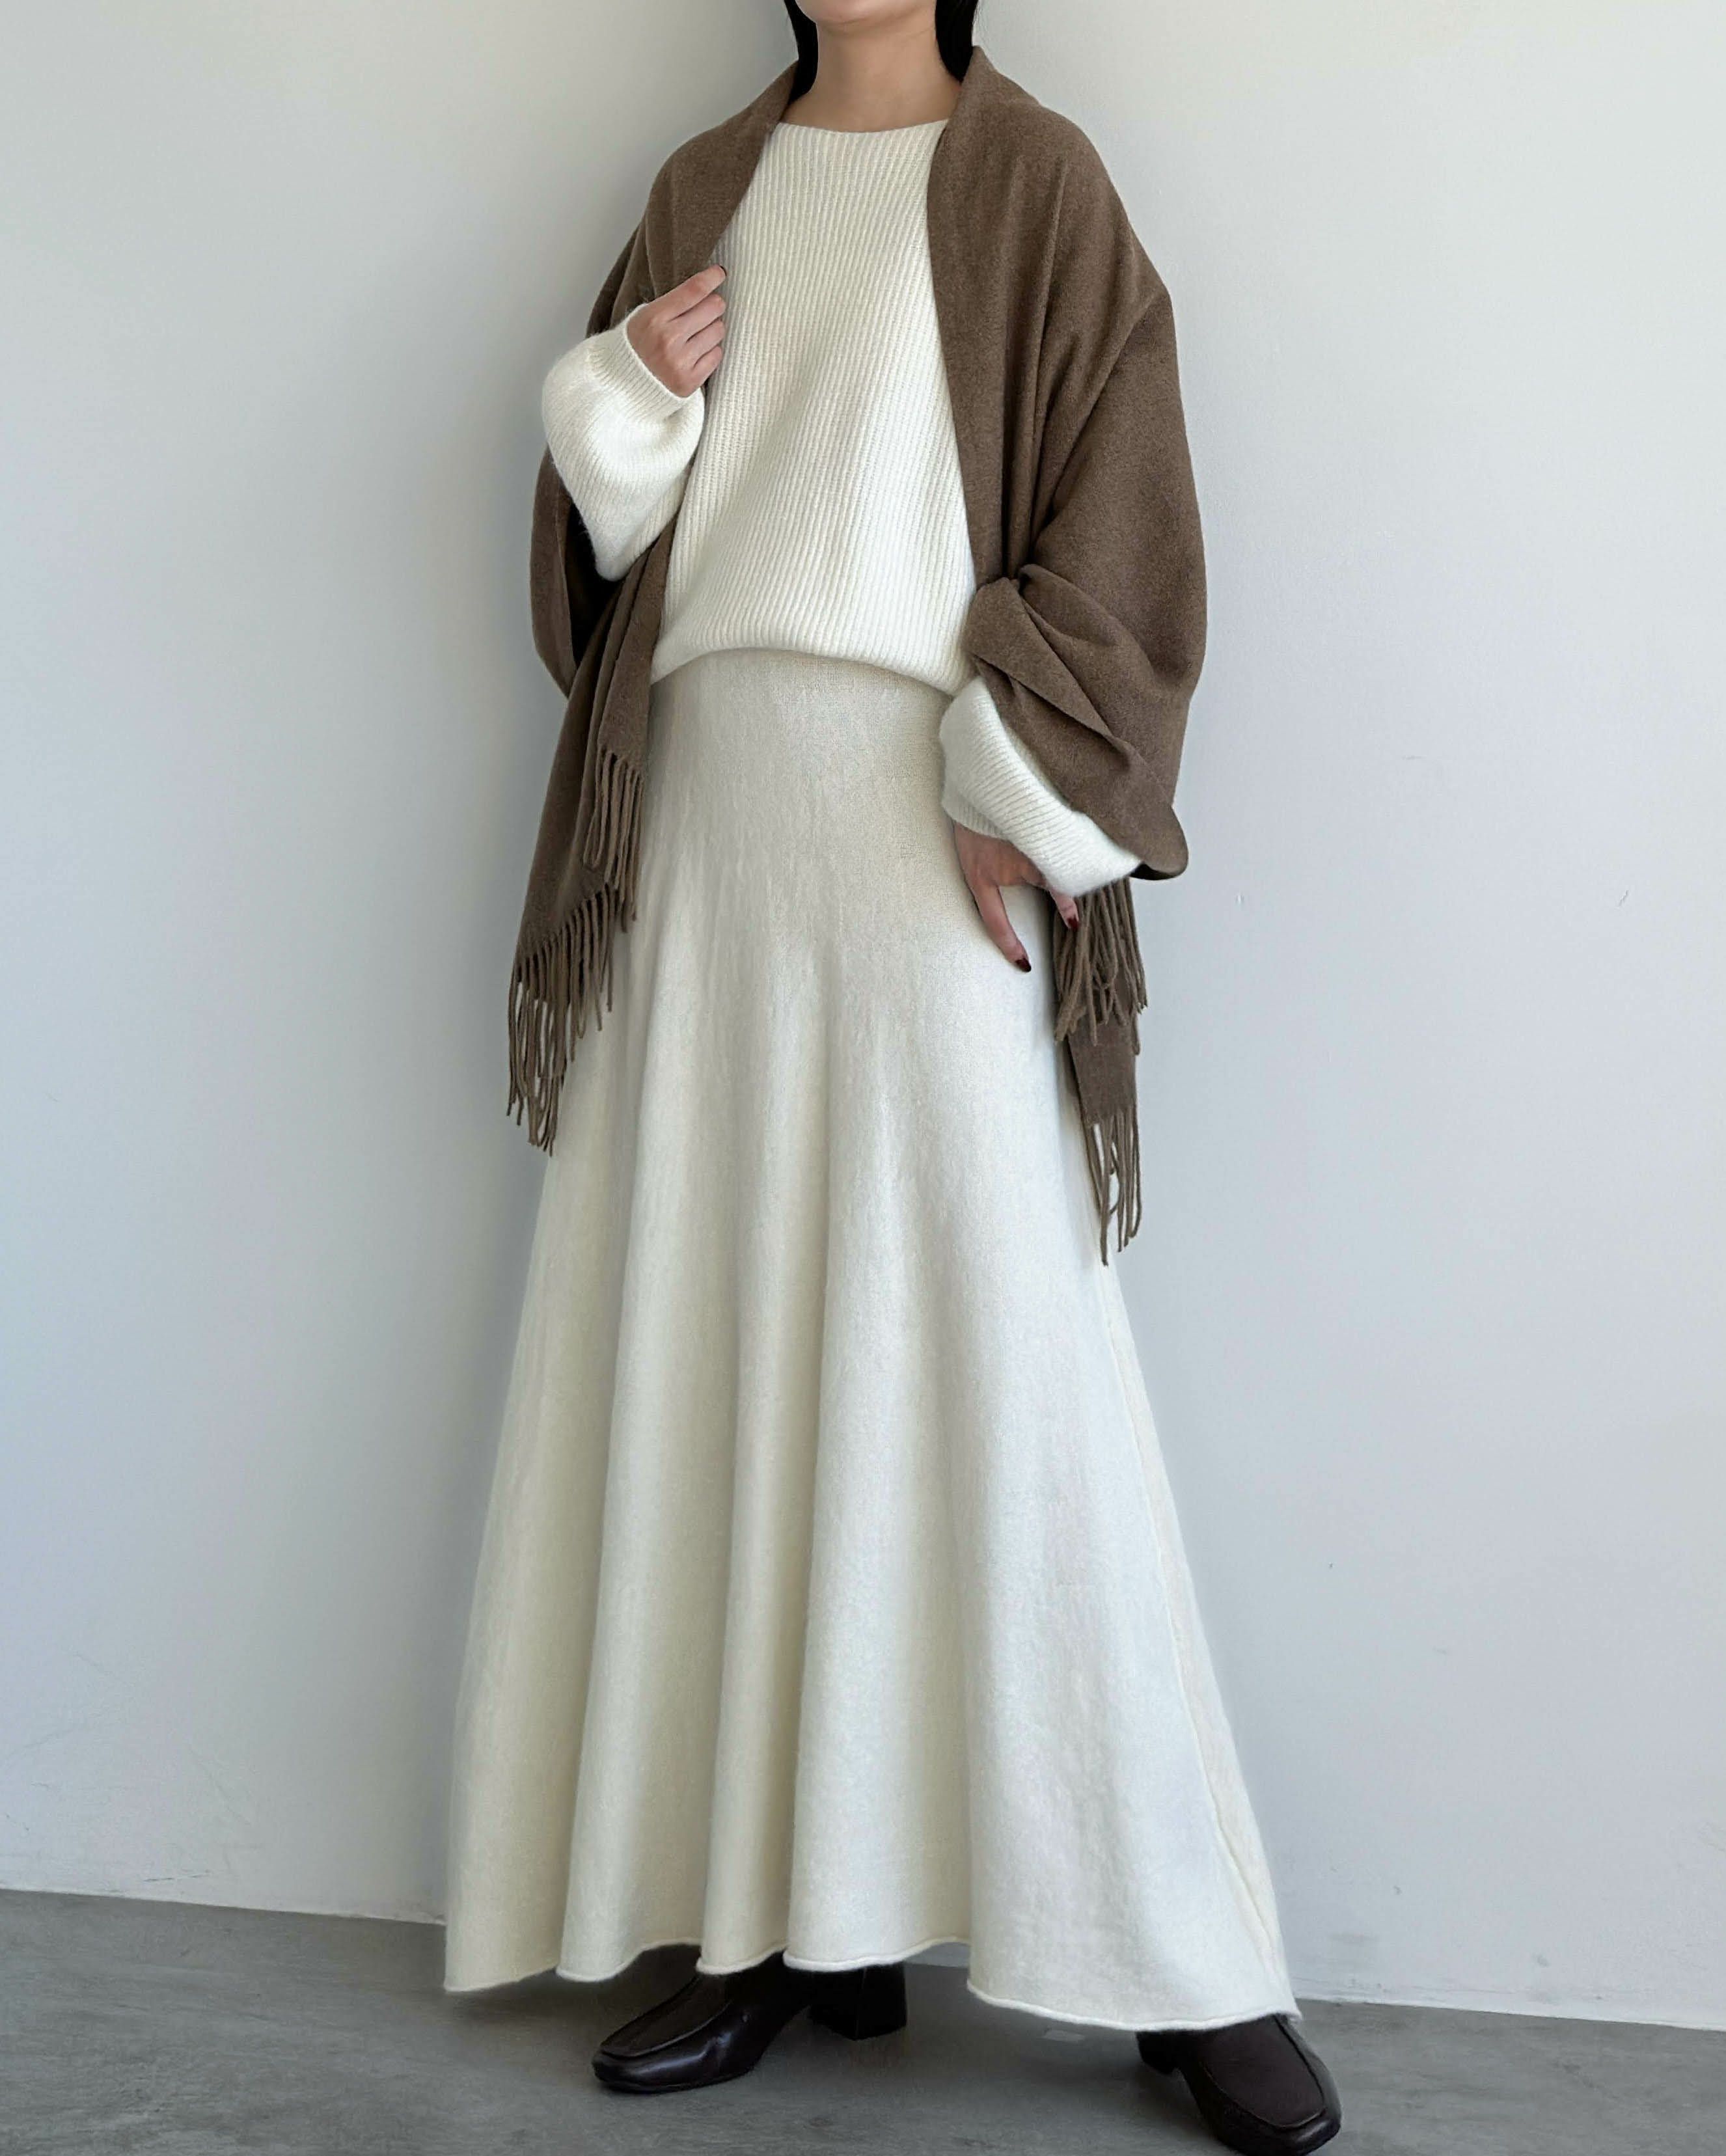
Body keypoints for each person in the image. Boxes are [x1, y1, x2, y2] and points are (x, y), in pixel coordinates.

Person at [444, 7, 1342, 2152]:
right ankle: (775, 1920)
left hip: (921, 806)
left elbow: (1126, 521)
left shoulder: (1038, 180)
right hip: (703, 816)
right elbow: (604, 554)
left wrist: (1015, 774)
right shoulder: (702, 182)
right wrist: (623, 397)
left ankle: (1176, 1956)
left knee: (1005, 1359)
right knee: (724, 1343)